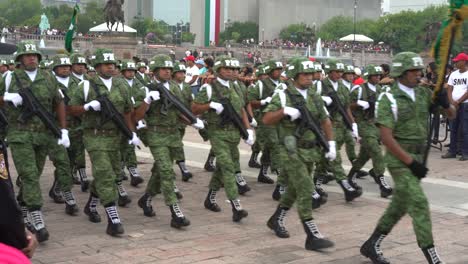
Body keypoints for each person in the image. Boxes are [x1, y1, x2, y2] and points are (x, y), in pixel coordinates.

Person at [360, 52, 455, 264]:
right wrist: (410, 162)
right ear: (400, 73)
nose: (418, 74)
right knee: (419, 203)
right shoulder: (388, 97)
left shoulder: (423, 94)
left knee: (400, 205)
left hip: (419, 157)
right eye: (413, 71)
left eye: (419, 70)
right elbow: (386, 137)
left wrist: (445, 103)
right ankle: (433, 258)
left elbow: (452, 115)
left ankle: (371, 244)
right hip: (399, 159)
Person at [1, 41, 70, 242]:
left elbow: (59, 103)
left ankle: (21, 206)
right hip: (20, 134)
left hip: (44, 135)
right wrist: (7, 97)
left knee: (34, 174)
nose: (32, 58)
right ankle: (36, 216)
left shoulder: (48, 78)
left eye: (35, 55)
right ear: (20, 59)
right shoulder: (9, 77)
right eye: (27, 55)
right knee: (30, 175)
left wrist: (63, 129)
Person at [263, 57, 335, 251]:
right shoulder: (284, 95)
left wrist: (332, 144)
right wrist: (284, 111)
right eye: (305, 74)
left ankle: (276, 219)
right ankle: (312, 235)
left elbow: (325, 120)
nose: (310, 77)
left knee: (295, 188)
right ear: (295, 75)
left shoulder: (313, 95)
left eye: (311, 74)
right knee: (305, 188)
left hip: (310, 149)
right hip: (289, 149)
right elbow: (267, 119)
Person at [68, 48, 140, 237]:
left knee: (113, 174)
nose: (110, 67)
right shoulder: (86, 85)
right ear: (98, 67)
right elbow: (72, 109)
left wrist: (131, 133)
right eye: (106, 65)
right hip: (94, 136)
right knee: (105, 174)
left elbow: (127, 112)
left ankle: (91, 205)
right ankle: (113, 218)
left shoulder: (122, 85)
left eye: (112, 65)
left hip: (115, 137)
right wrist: (86, 107)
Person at [134, 54, 202, 228]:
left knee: (159, 171)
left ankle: (146, 199)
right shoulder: (146, 89)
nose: (167, 72)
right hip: (156, 135)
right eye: (163, 69)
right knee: (166, 171)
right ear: (155, 71)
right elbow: (137, 116)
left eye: (169, 69)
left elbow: (179, 110)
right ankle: (175, 212)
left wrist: (193, 122)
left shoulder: (175, 87)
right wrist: (147, 100)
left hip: (173, 134)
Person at [192, 55, 254, 223]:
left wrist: (248, 130)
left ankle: (210, 198)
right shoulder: (209, 88)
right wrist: (210, 105)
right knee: (228, 167)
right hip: (217, 132)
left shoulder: (238, 87)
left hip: (234, 133)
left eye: (234, 69)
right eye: (227, 69)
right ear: (218, 71)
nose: (231, 72)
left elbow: (241, 110)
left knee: (221, 168)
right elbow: (194, 108)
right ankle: (236, 206)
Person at [315, 59, 362, 202]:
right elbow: (311, 102)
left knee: (325, 157)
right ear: (330, 72)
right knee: (335, 157)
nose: (340, 74)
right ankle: (346, 186)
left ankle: (315, 182)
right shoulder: (320, 85)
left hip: (341, 126)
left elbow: (346, 107)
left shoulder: (342, 86)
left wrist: (352, 124)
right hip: (327, 126)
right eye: (337, 72)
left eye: (341, 72)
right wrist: (322, 100)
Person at [348, 64, 393, 198]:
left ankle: (350, 177)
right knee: (376, 152)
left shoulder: (380, 89)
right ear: (369, 76)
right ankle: (382, 184)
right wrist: (359, 104)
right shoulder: (360, 89)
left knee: (364, 155)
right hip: (364, 125)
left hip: (376, 125)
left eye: (379, 75)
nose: (378, 77)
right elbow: (347, 105)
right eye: (375, 75)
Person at [248, 59, 284, 186]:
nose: (279, 72)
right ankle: (281, 174)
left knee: (269, 148)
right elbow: (250, 101)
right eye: (276, 70)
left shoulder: (282, 84)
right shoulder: (261, 84)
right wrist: (263, 102)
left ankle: (263, 173)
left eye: (280, 70)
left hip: (279, 119)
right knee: (275, 144)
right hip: (265, 119)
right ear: (270, 71)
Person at [118, 60, 145, 187]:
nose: (131, 73)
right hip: (121, 118)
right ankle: (127, 170)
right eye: (128, 71)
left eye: (132, 71)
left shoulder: (138, 83)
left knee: (129, 145)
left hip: (135, 118)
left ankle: (131, 171)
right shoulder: (117, 83)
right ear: (123, 72)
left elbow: (141, 98)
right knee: (121, 146)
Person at [170, 62, 195, 182]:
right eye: (179, 72)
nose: (182, 75)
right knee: (177, 144)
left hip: (183, 121)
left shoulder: (186, 86)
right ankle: (183, 168)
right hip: (173, 120)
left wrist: (193, 116)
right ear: (174, 74)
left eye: (183, 72)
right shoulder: (169, 86)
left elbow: (190, 101)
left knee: (176, 144)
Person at [69, 53, 90, 191]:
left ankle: (82, 176)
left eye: (83, 65)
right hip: (70, 121)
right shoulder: (68, 80)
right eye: (78, 65)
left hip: (85, 120)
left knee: (81, 149)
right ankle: (71, 174)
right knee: (71, 151)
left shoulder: (89, 80)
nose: (81, 67)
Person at [441, 53, 468, 160]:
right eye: (455, 61)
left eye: (457, 61)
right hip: (454, 105)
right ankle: (452, 151)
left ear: (464, 62)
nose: (455, 63)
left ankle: (465, 152)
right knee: (453, 128)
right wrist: (451, 101)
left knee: (465, 129)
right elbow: (449, 88)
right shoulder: (454, 74)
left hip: (465, 105)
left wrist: (458, 101)